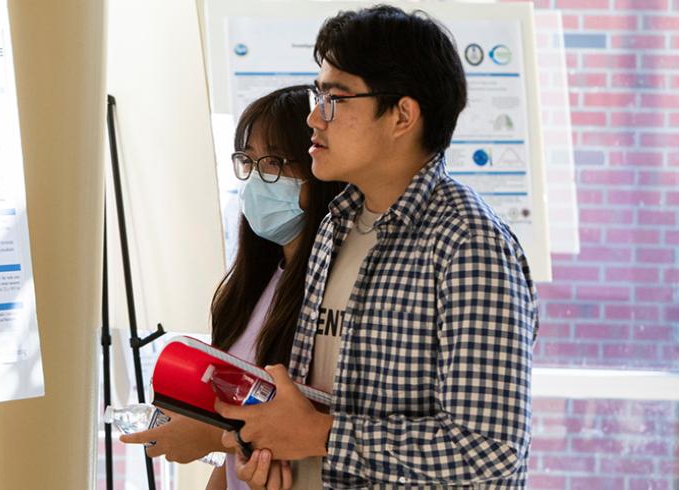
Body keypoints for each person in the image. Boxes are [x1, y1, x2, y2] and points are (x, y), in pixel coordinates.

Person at [214, 5, 539, 488]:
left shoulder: (469, 245)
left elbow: (489, 452)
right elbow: (318, 406)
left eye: (334, 98)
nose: (313, 118)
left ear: (402, 116)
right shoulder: (334, 226)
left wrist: (321, 435)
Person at [119, 85, 343, 490]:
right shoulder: (254, 283)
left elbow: (310, 430)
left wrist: (209, 435)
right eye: (247, 161)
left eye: (274, 162)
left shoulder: (332, 296)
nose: (258, 179)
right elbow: (225, 460)